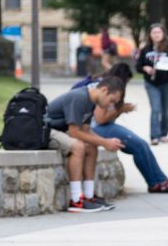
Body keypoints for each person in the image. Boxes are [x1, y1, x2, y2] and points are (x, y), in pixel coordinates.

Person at [72, 63, 168, 195]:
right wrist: (120, 109)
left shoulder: (103, 83)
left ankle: (159, 181)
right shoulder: (104, 88)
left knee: (141, 145)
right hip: (94, 128)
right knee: (139, 145)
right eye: (127, 81)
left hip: (96, 126)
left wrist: (120, 110)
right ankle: (157, 183)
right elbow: (100, 119)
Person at [47, 76, 127, 213]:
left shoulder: (91, 102)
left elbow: (86, 130)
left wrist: (106, 141)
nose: (110, 106)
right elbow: (74, 132)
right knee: (78, 146)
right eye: (111, 100)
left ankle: (89, 197)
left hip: (59, 131)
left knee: (92, 146)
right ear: (104, 90)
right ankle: (76, 200)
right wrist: (105, 142)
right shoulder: (79, 97)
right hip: (45, 131)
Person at [137, 23, 168, 145]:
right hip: (151, 83)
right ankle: (154, 136)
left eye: (158, 32)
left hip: (167, 82)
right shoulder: (146, 49)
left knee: (165, 110)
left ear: (163, 34)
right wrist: (145, 68)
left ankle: (163, 133)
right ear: (150, 35)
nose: (156, 35)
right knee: (156, 109)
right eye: (153, 32)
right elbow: (138, 66)